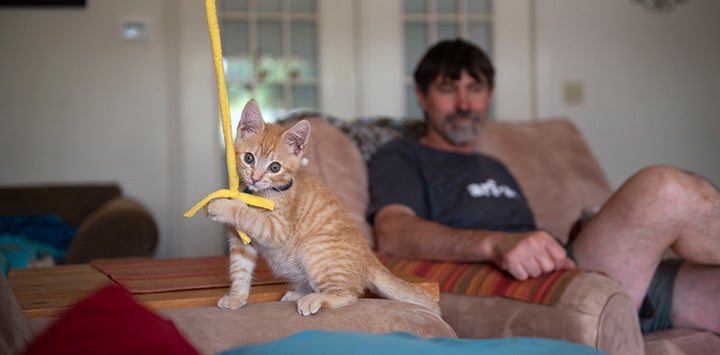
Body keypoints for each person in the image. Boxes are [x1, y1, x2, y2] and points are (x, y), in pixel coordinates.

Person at [367, 38, 720, 334]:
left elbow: (527, 234)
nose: (464, 104)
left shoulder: (494, 166)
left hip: (574, 264)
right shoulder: (401, 155)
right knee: (664, 191)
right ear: (422, 96)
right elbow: (393, 231)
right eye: (448, 89)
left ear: (489, 95)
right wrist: (493, 243)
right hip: (527, 285)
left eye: (475, 89)